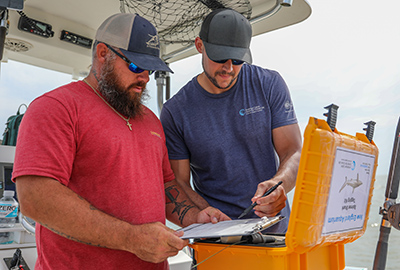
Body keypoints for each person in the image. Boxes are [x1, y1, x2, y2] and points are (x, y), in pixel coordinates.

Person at [13, 13, 229, 270]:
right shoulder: (56, 108)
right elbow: (36, 199)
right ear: (103, 54)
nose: (146, 77)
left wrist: (195, 217)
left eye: (150, 69)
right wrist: (131, 239)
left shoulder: (150, 120)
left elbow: (166, 184)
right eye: (136, 66)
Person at [160, 9, 302, 233]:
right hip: (216, 237)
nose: (228, 68)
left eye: (237, 60)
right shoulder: (175, 111)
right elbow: (179, 182)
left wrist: (279, 186)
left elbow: (293, 152)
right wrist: (209, 216)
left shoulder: (269, 84)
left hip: (276, 235)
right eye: (219, 57)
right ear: (200, 45)